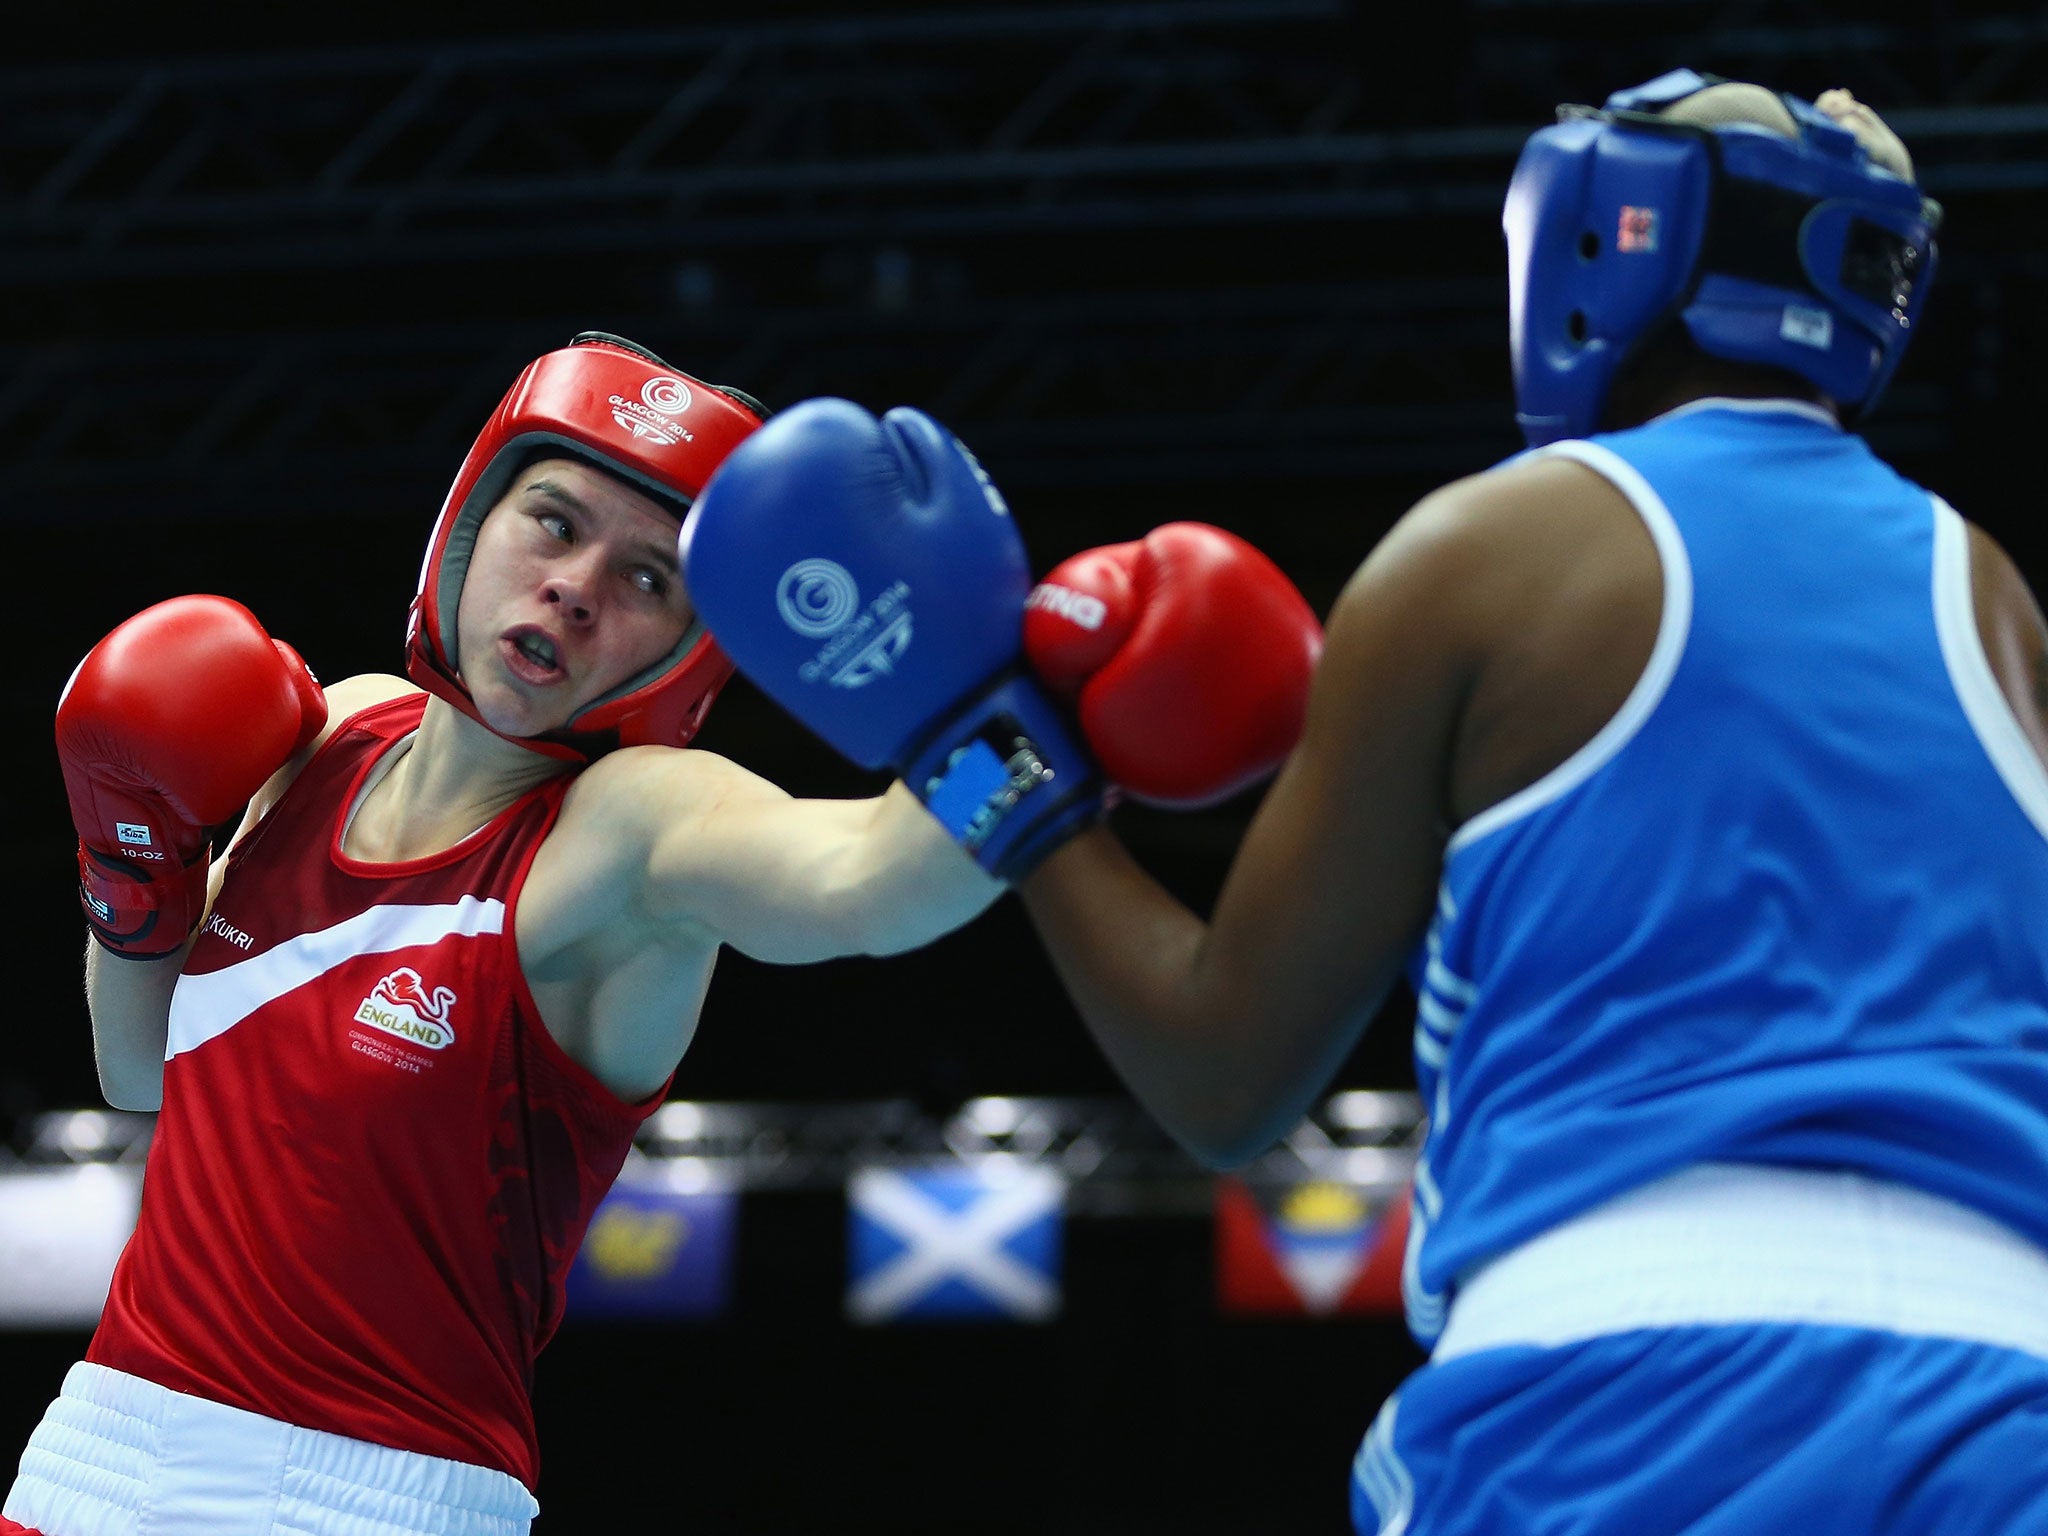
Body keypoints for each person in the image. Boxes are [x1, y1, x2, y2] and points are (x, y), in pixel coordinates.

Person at [679, 76, 2048, 1534]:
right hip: (2003, 1399)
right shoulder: (2000, 607)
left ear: (1614, 234)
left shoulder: (1492, 552)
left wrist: (981, 750)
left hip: (1620, 1397)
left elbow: (1226, 1078)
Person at [10, 332, 1027, 1536]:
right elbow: (141, 1074)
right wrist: (127, 860)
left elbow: (868, 881)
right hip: (93, 1453)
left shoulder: (629, 831)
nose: (578, 586)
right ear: (469, 524)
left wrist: (1014, 729)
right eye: (552, 521)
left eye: (649, 580)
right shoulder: (335, 730)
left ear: (695, 652)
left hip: (362, 1497)